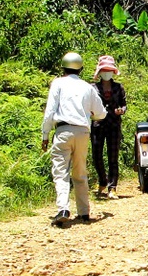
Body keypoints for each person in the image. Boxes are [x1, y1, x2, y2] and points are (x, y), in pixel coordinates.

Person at [42, 52, 107, 227]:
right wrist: (91, 115)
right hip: (83, 132)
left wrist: (45, 135)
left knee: (61, 171)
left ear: (62, 67)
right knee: (80, 172)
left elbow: (49, 112)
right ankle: (84, 212)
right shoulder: (88, 87)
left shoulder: (58, 83)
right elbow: (101, 113)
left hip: (63, 130)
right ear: (81, 69)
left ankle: (63, 209)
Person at [90, 55, 127, 200]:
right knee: (96, 156)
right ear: (99, 72)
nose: (106, 73)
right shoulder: (92, 88)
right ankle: (102, 181)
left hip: (114, 125)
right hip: (98, 125)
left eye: (109, 70)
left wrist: (121, 110)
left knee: (113, 157)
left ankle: (112, 187)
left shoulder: (119, 87)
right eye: (104, 70)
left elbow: (124, 104)